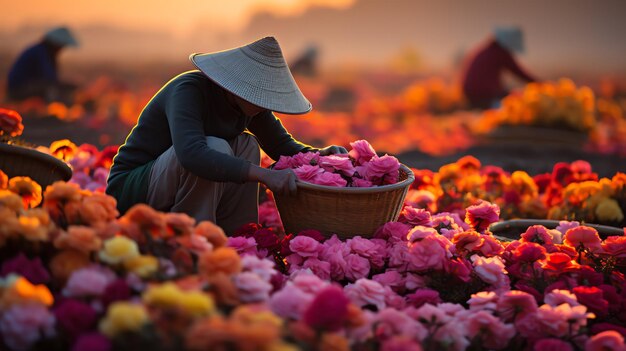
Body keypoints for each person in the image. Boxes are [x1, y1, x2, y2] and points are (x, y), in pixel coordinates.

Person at [106, 36, 347, 235]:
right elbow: (191, 155)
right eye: (260, 96)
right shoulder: (188, 90)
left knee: (248, 144)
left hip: (175, 180)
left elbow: (281, 145)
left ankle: (238, 236)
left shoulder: (251, 105)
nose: (264, 104)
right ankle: (195, 237)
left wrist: (321, 156)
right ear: (236, 86)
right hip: (134, 190)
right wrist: (264, 176)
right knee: (215, 147)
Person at [461, 27, 538, 109]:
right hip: (484, 94)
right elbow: (519, 72)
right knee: (513, 100)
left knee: (506, 95)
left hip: (469, 93)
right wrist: (540, 83)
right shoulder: (500, 53)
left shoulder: (487, 50)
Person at [7, 26, 79, 103]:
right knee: (53, 89)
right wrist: (67, 84)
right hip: (18, 90)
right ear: (55, 44)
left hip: (18, 88)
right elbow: (49, 78)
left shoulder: (40, 50)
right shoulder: (41, 53)